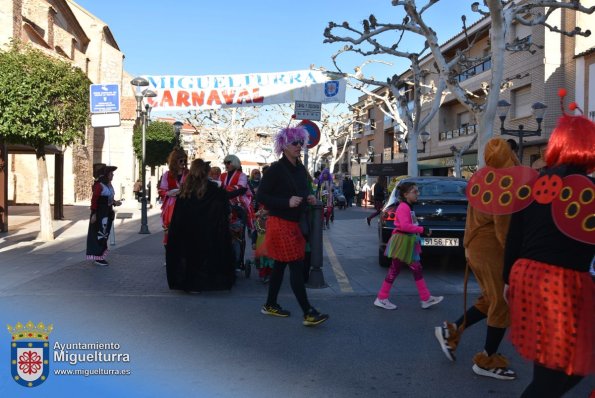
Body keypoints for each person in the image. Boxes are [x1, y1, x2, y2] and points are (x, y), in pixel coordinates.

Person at [503, 112, 594, 397]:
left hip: (525, 274)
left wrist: (506, 279)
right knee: (558, 369)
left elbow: (513, 236)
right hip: (561, 282)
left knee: (556, 364)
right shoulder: (588, 190)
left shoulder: (534, 184)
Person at [434, 138, 519, 380]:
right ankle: (486, 359)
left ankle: (451, 331)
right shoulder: (505, 182)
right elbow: (504, 230)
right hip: (492, 249)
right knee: (501, 303)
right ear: (509, 155)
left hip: (474, 246)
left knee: (489, 299)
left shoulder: (482, 177)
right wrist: (516, 259)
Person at [257, 126, 329, 327]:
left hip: (294, 223)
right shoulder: (276, 169)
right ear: (284, 146)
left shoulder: (299, 168)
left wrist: (309, 198)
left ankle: (270, 304)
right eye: (294, 143)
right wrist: (286, 202)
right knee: (296, 266)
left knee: (280, 266)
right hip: (280, 223)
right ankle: (308, 312)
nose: (299, 146)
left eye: (300, 142)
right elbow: (260, 196)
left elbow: (302, 193)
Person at [165, 159, 235, 292]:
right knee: (206, 257)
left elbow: (178, 215)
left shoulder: (185, 190)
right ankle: (206, 282)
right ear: (206, 172)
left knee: (190, 258)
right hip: (208, 232)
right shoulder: (215, 190)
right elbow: (224, 208)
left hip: (188, 232)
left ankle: (190, 284)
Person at [374, 182, 443, 310]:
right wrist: (423, 230)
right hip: (403, 241)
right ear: (406, 195)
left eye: (417, 191)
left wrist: (419, 229)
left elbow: (410, 224)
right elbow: (405, 226)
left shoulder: (407, 206)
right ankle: (382, 298)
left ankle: (425, 298)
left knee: (414, 269)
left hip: (407, 241)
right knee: (397, 269)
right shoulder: (404, 207)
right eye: (415, 192)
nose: (418, 194)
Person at [86, 164, 121, 266]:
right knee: (99, 234)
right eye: (111, 173)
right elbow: (95, 200)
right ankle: (98, 257)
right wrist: (94, 214)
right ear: (106, 175)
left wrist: (114, 202)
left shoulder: (108, 185)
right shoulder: (99, 185)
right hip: (100, 213)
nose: (112, 175)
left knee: (104, 234)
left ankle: (100, 255)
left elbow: (108, 199)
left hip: (107, 212)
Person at [158, 148, 189, 245]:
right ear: (175, 161)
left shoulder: (189, 174)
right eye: (181, 160)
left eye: (185, 160)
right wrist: (169, 193)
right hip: (171, 206)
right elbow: (162, 190)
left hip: (186, 204)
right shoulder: (167, 175)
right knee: (170, 230)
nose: (183, 163)